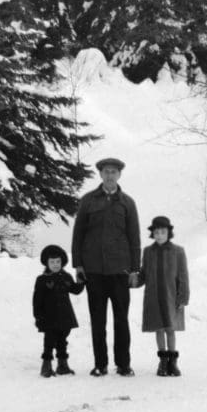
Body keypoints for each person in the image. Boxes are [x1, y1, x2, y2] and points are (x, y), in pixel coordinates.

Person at [71, 157, 141, 377]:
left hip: (120, 271)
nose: (110, 175)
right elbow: (78, 234)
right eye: (106, 171)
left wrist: (134, 269)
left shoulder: (127, 202)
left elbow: (134, 237)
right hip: (94, 271)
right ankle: (100, 364)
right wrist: (78, 264)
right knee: (98, 321)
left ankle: (123, 364)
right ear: (100, 174)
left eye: (114, 172)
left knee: (121, 320)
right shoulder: (88, 201)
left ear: (119, 175)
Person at [139, 216, 189, 377]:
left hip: (171, 297)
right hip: (153, 297)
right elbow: (143, 274)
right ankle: (163, 361)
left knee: (170, 329)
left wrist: (183, 297)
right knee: (158, 329)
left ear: (169, 233)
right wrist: (132, 279)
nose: (160, 235)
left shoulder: (178, 251)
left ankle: (173, 363)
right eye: (157, 232)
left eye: (163, 232)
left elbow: (183, 276)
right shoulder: (147, 252)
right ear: (152, 234)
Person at [33, 245, 84, 377]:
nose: (55, 265)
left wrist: (81, 281)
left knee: (62, 340)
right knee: (49, 340)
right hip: (49, 317)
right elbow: (37, 301)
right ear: (46, 263)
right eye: (52, 262)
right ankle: (46, 366)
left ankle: (62, 365)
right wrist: (38, 317)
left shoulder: (66, 277)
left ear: (62, 262)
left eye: (58, 262)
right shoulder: (42, 279)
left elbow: (75, 290)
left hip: (65, 316)